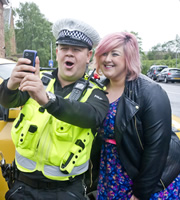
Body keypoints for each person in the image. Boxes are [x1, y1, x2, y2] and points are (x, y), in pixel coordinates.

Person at [0, 18, 109, 200]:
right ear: (57, 52)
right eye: (64, 48)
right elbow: (7, 101)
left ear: (88, 55)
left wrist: (47, 99)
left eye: (76, 50)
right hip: (22, 186)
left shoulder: (96, 93)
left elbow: (90, 116)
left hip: (65, 191)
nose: (69, 54)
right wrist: (10, 84)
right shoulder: (38, 79)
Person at [91, 32, 180, 200]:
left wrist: (141, 193)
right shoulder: (97, 89)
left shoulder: (150, 92)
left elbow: (157, 149)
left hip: (146, 179)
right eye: (104, 53)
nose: (107, 59)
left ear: (128, 57)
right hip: (110, 174)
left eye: (114, 54)